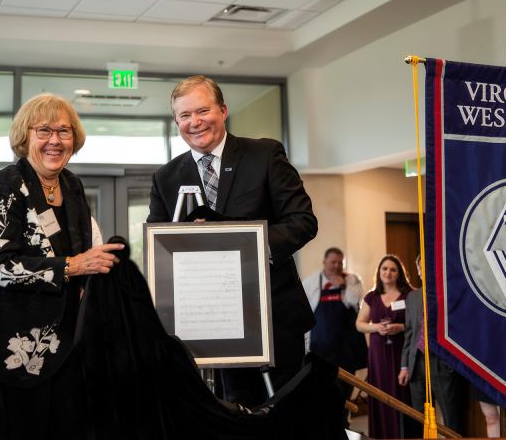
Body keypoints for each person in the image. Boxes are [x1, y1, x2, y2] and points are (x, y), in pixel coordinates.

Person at [147, 75, 318, 409]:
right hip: (207, 328)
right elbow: (159, 250)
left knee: (285, 420)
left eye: (202, 110)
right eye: (184, 116)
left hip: (272, 321)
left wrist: (246, 245)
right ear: (176, 122)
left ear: (223, 111)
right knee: (228, 418)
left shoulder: (265, 154)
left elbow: (303, 221)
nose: (194, 122)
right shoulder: (165, 177)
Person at [0, 93, 124, 439]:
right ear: (25, 137)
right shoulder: (4, 186)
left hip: (66, 346)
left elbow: (83, 249)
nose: (55, 140)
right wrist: (71, 266)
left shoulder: (71, 184)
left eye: (64, 131)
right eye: (44, 131)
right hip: (13, 348)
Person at [398, 256, 465, 435]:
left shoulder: (449, 293)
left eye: (428, 266)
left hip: (442, 362)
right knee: (418, 416)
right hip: (416, 363)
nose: (424, 270)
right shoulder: (412, 297)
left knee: (451, 417)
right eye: (421, 267)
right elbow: (410, 333)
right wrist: (404, 366)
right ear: (418, 271)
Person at [356, 254, 412, 439]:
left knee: (401, 393)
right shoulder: (371, 297)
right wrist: (375, 327)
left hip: (401, 353)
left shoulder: (409, 295)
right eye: (384, 269)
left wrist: (401, 327)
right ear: (379, 272)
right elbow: (359, 324)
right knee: (380, 392)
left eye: (393, 269)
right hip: (378, 354)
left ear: (399, 274)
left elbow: (419, 324)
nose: (388, 272)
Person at [302, 247, 366, 373]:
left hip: (346, 347)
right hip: (319, 347)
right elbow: (304, 313)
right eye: (333, 262)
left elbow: (355, 302)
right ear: (324, 262)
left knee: (346, 385)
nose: (337, 266)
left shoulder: (352, 280)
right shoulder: (310, 282)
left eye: (340, 262)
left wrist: (342, 286)